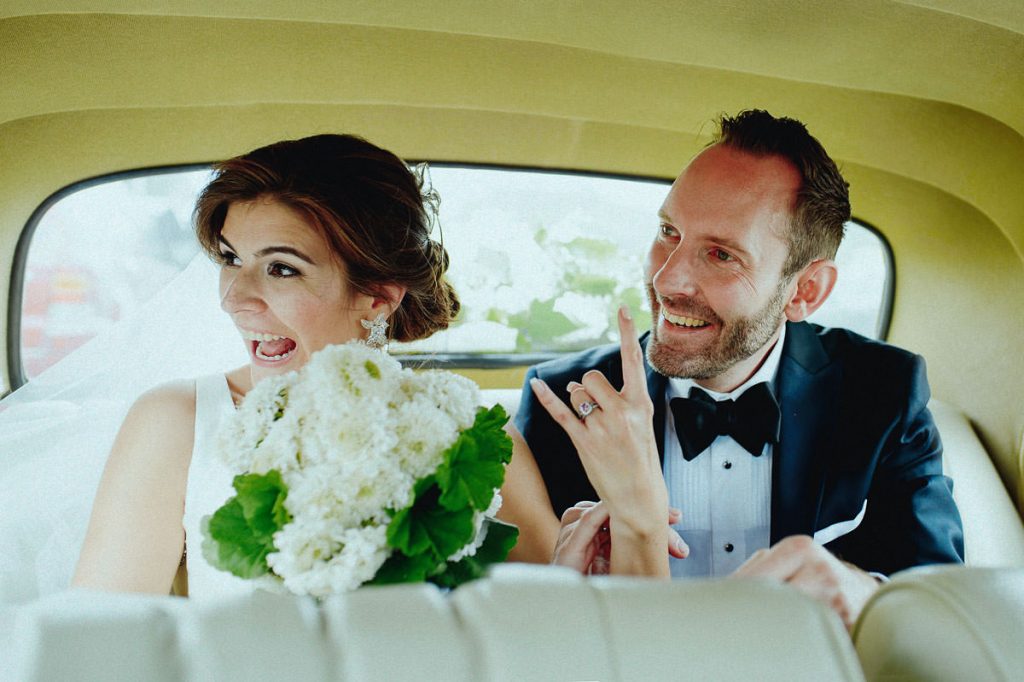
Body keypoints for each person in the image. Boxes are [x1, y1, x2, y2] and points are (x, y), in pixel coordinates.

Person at [500, 109, 964, 628]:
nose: (667, 280)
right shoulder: (564, 400)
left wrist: (862, 592)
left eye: (721, 255)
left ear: (805, 290)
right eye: (669, 231)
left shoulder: (882, 391)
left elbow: (947, 609)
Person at [68, 134, 459, 597]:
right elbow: (105, 629)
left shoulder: (462, 430)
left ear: (378, 297)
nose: (234, 299)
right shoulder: (176, 421)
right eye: (231, 259)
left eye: (281, 268)